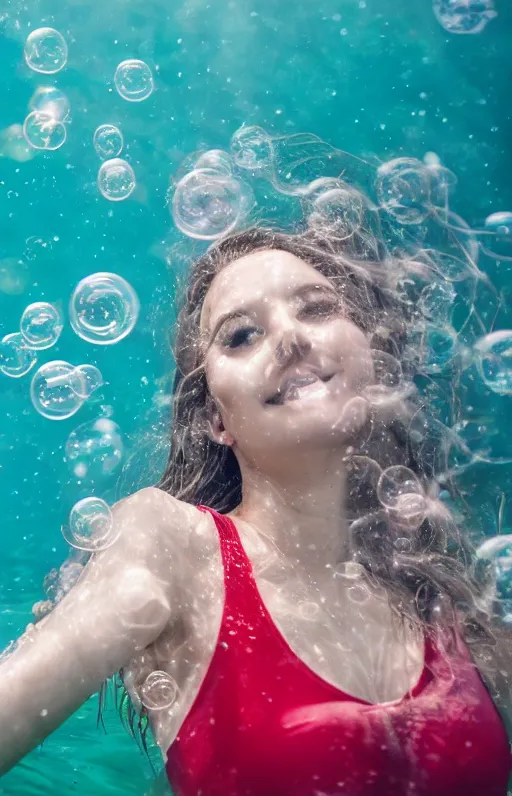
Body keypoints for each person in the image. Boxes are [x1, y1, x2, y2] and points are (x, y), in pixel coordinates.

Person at [1, 213, 511, 796]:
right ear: (216, 419)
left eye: (317, 308)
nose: (292, 338)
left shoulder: (457, 612)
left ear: (372, 356)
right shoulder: (173, 549)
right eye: (242, 335)